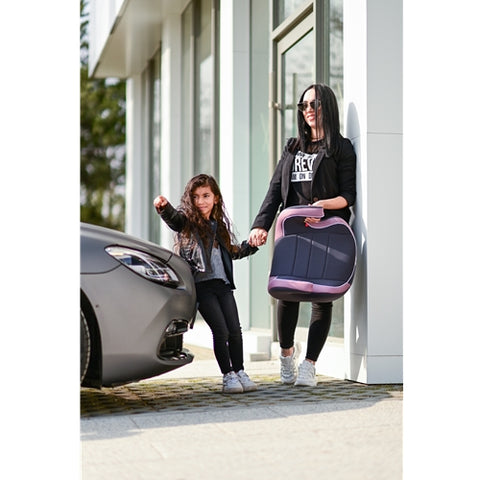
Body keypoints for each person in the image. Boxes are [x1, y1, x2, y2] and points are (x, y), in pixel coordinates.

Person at [248, 83, 356, 387]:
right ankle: (286, 355)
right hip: (293, 232)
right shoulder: (293, 147)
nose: (309, 110)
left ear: (327, 107)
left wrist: (321, 207)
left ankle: (309, 365)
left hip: (326, 232)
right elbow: (275, 190)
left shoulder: (341, 148)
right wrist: (261, 225)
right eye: (304, 105)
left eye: (314, 104)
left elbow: (348, 195)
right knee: (287, 292)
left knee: (322, 297)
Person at [154, 174, 259, 393]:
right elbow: (175, 220)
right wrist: (164, 209)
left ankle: (240, 371)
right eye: (195, 197)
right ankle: (228, 375)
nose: (200, 201)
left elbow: (232, 252)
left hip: (223, 285)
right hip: (203, 286)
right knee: (221, 331)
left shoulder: (219, 227)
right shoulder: (189, 224)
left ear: (216, 198)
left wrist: (251, 245)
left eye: (206, 196)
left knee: (235, 330)